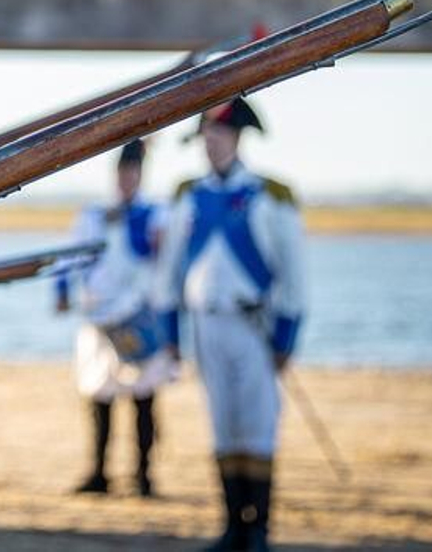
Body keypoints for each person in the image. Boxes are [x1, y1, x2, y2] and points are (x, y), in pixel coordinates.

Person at [152, 98, 305, 552]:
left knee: (257, 424)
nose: (211, 144)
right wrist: (170, 331)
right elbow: (169, 272)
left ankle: (258, 529)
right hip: (206, 324)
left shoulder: (269, 195)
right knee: (222, 424)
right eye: (206, 136)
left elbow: (294, 274)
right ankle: (231, 525)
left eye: (218, 135)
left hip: (252, 326)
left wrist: (286, 336)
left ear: (238, 137)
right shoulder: (189, 196)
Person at [54, 138, 172, 498]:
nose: (127, 179)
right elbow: (70, 256)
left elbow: (164, 255)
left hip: (138, 315)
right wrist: (61, 290)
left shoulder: (157, 214)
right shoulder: (93, 215)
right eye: (123, 172)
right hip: (99, 318)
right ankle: (99, 472)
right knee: (99, 394)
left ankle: (143, 475)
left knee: (143, 396)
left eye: (133, 172)